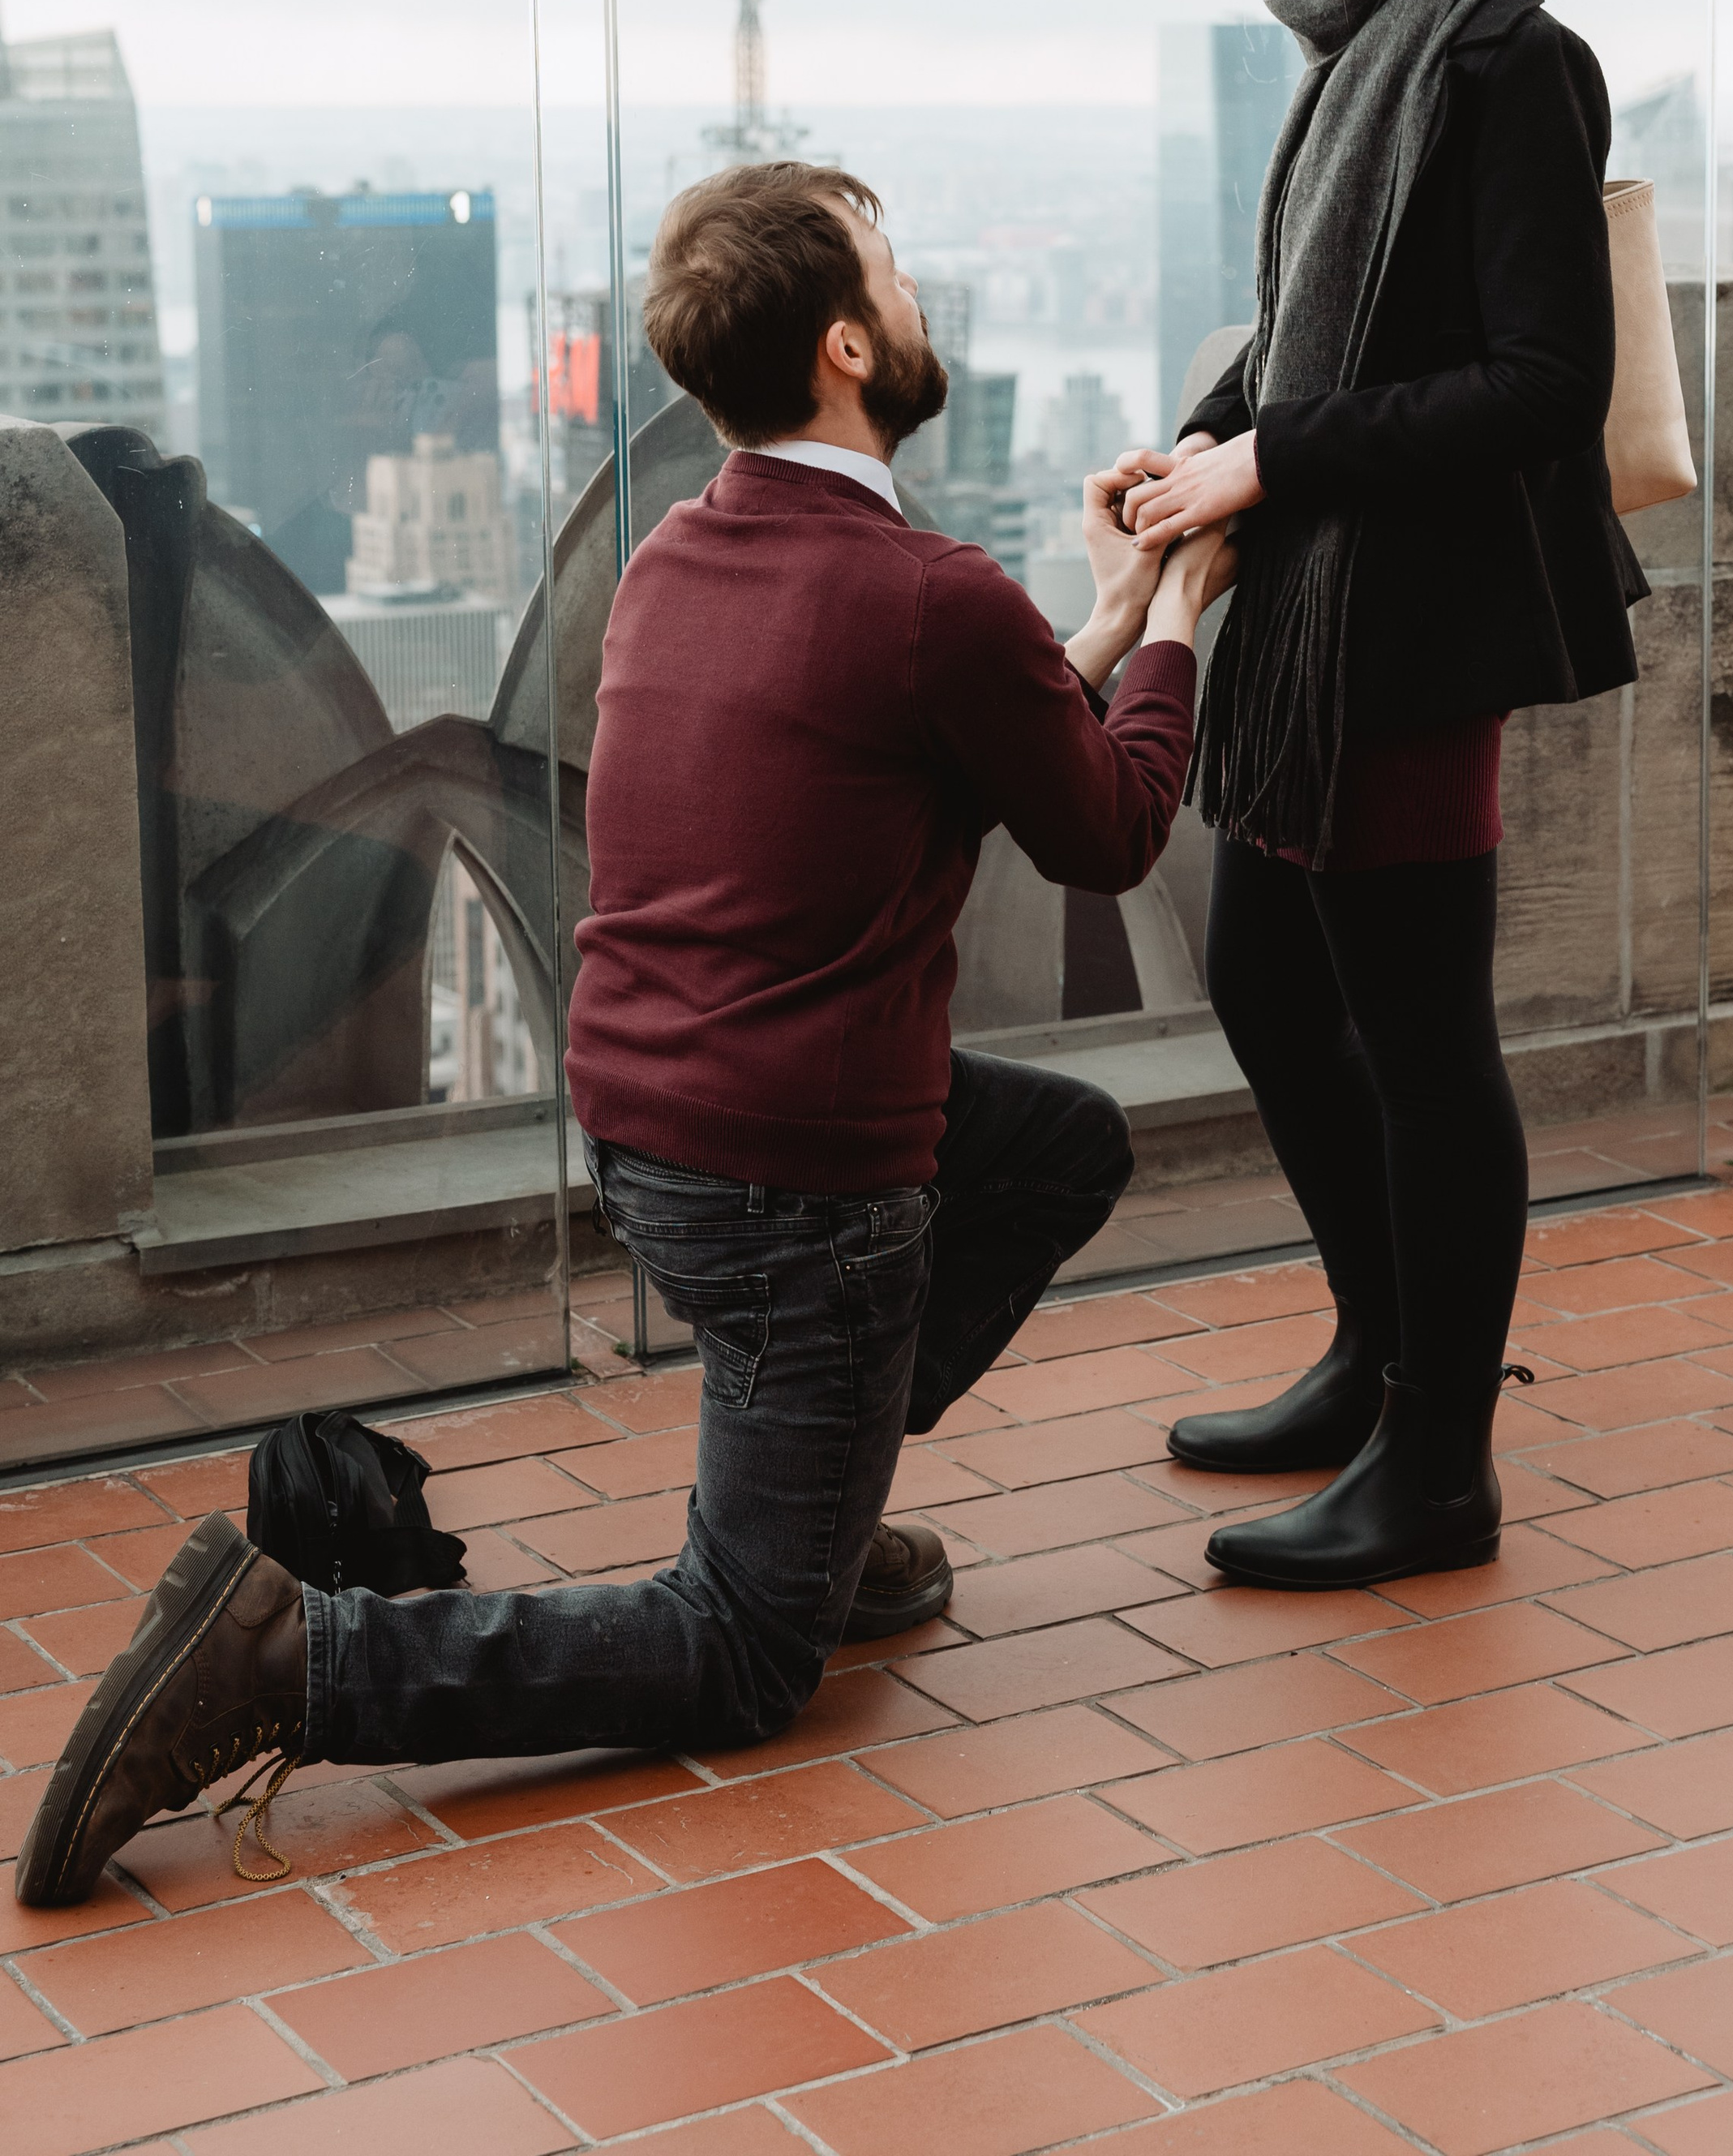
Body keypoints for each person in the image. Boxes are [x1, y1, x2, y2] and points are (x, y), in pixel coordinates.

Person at [18, 161, 1233, 1909]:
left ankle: (810, 1512)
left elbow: (953, 724)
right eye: (891, 275)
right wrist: (1184, 616)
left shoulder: (687, 551)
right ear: (840, 341)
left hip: (652, 1137)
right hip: (800, 1187)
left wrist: (1103, 618)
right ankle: (299, 1662)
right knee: (743, 1658)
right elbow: (1108, 829)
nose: (914, 301)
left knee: (1060, 1145)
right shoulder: (927, 595)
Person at [1117, 0, 1647, 1592]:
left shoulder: (1510, 61)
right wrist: (1210, 445)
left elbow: (1535, 387)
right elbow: (1321, 327)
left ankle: (1439, 1465)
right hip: (1320, 619)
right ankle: (1374, 1351)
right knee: (1269, 981)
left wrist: (1279, 450)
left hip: (1416, 633)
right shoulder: (1365, 53)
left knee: (1424, 1048)